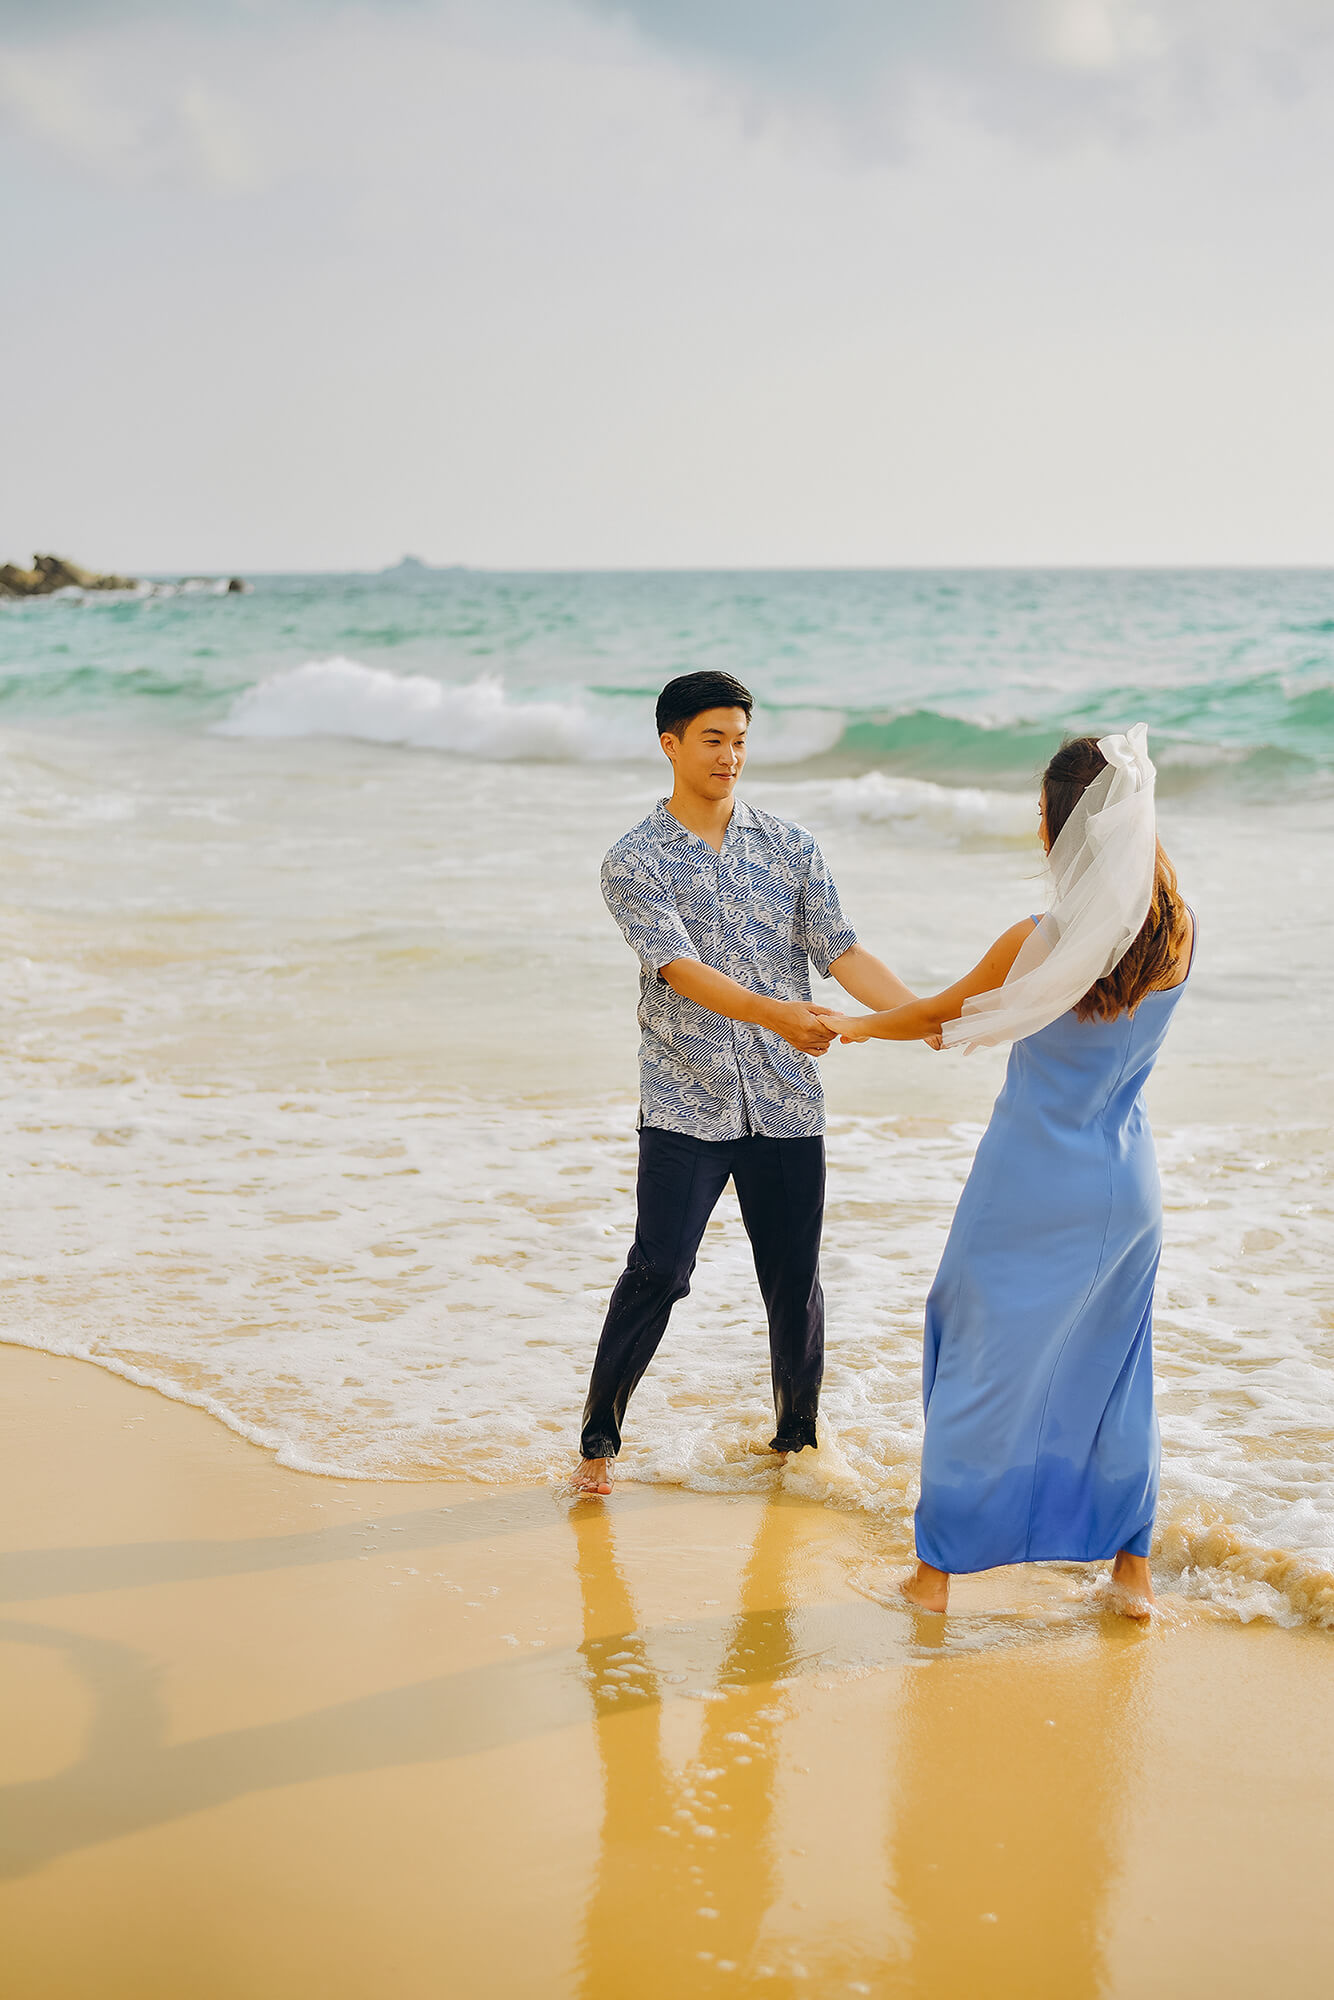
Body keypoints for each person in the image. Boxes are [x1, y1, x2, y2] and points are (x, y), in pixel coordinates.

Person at [822, 727, 1193, 1619]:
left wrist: (848, 1024)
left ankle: (937, 1574)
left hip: (1029, 1178)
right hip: (1127, 1183)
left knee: (975, 1351)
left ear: (1060, 829)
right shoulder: (1176, 933)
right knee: (1114, 1367)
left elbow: (942, 1018)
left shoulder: (1040, 941)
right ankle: (1130, 1577)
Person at [573, 669, 920, 1497]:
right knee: (660, 1270)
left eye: (740, 741)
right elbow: (681, 971)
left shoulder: (791, 847)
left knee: (793, 1282)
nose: (731, 757)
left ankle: (796, 1444)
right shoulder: (634, 861)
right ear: (671, 744)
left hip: (787, 1100)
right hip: (686, 1100)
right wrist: (778, 1014)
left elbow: (842, 950)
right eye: (713, 740)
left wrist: (919, 1013)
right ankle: (597, 1445)